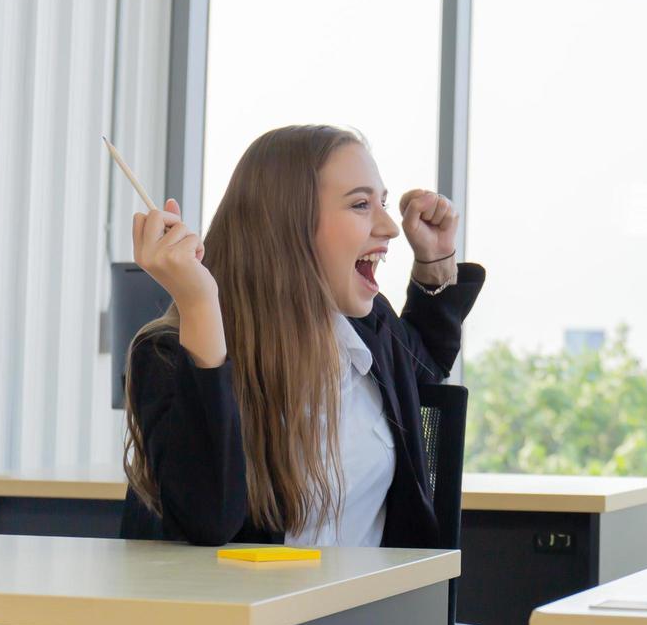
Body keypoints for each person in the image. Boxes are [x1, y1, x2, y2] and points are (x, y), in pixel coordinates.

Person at [121, 125, 484, 548]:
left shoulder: (367, 330)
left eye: (382, 203)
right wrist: (200, 305)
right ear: (287, 225)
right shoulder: (168, 355)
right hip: (256, 613)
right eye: (362, 204)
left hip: (377, 611)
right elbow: (208, 521)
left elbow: (422, 369)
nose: (389, 227)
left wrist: (436, 260)